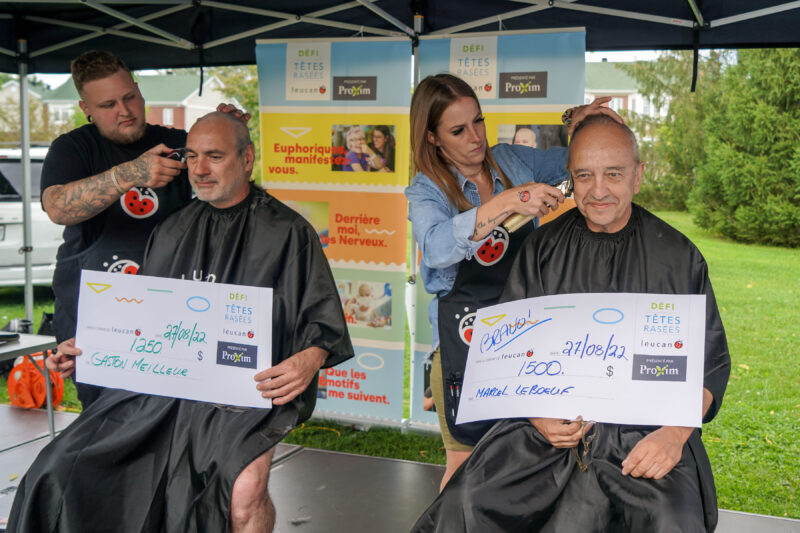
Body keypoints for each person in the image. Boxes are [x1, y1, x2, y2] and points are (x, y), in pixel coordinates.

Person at [8, 112, 354, 533]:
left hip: (244, 394)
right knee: (59, 469)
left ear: (246, 159)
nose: (200, 169)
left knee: (243, 491)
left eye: (214, 156)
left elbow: (320, 317)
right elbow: (148, 317)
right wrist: (91, 347)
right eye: (192, 156)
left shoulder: (288, 232)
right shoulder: (172, 229)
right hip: (164, 389)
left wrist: (310, 359)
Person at [411, 114, 731, 532]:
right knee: (469, 500)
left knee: (672, 519)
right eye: (584, 176)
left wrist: (674, 435)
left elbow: (709, 366)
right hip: (545, 434)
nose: (598, 191)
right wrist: (535, 413)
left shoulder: (678, 256)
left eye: (613, 174)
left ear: (637, 176)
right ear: (571, 179)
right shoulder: (542, 249)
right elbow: (508, 358)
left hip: (643, 434)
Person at [405, 73, 622, 490]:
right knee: (463, 475)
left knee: (524, 469)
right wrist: (510, 200)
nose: (475, 138)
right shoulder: (426, 190)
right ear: (432, 137)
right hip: (464, 349)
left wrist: (577, 123)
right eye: (458, 130)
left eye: (478, 121)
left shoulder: (511, 160)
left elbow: (575, 161)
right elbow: (435, 248)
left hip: (527, 344)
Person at [41, 49, 249, 408]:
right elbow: (58, 207)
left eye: (130, 97)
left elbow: (232, 191)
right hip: (96, 316)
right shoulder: (74, 148)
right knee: (109, 420)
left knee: (175, 417)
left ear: (138, 89)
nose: (124, 110)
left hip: (173, 311)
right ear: (85, 108)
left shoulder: (178, 142)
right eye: (108, 105)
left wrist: (230, 135)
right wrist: (129, 174)